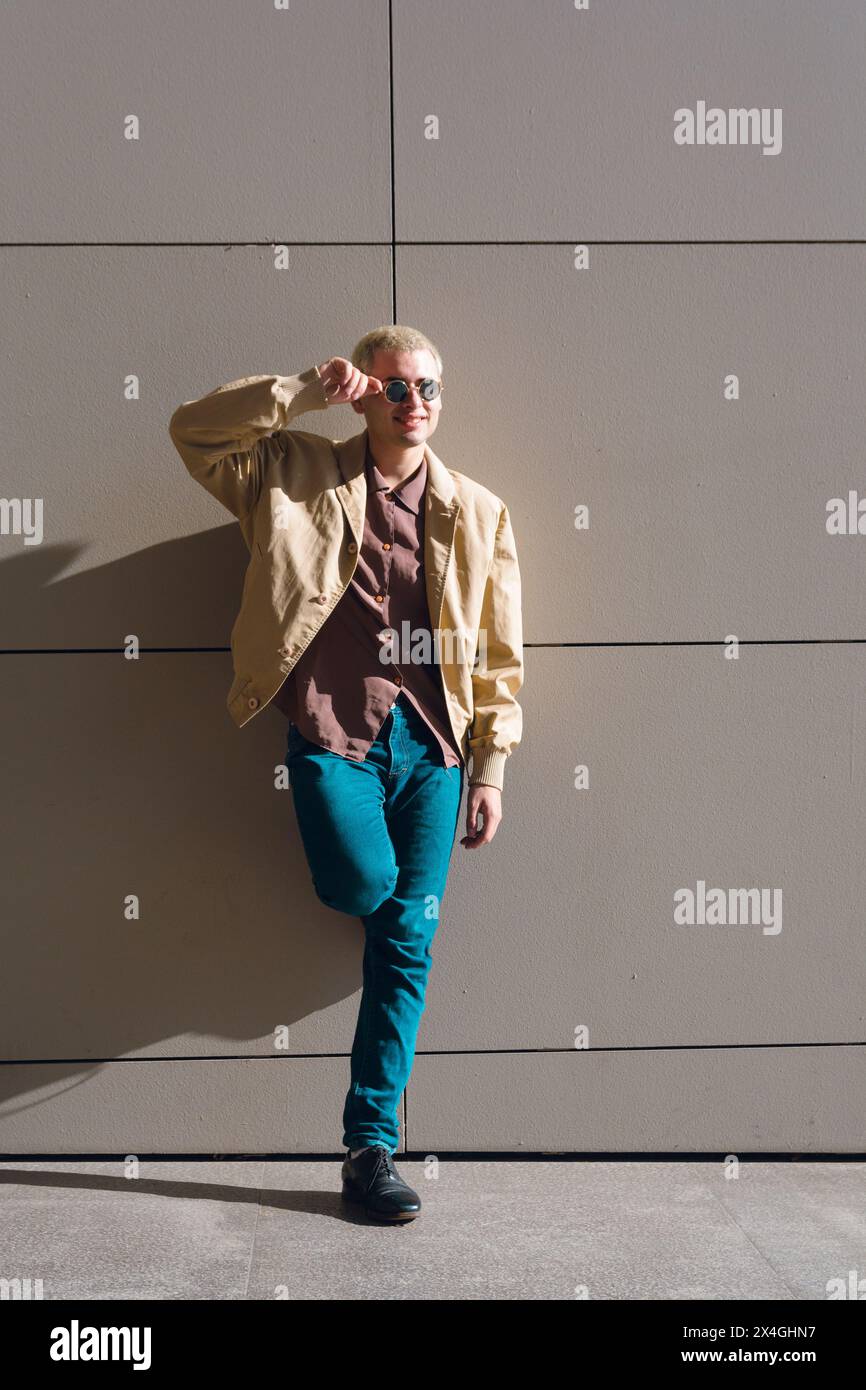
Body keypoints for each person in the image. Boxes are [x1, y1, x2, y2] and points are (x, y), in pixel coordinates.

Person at [169, 325, 523, 1221]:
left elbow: (496, 651)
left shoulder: (478, 511)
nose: (417, 403)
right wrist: (297, 389)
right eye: (398, 387)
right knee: (367, 885)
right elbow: (193, 432)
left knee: (408, 948)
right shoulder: (290, 478)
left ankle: (370, 1151)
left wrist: (490, 765)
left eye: (431, 388)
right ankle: (387, 905)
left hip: (436, 752)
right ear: (366, 393)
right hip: (334, 740)